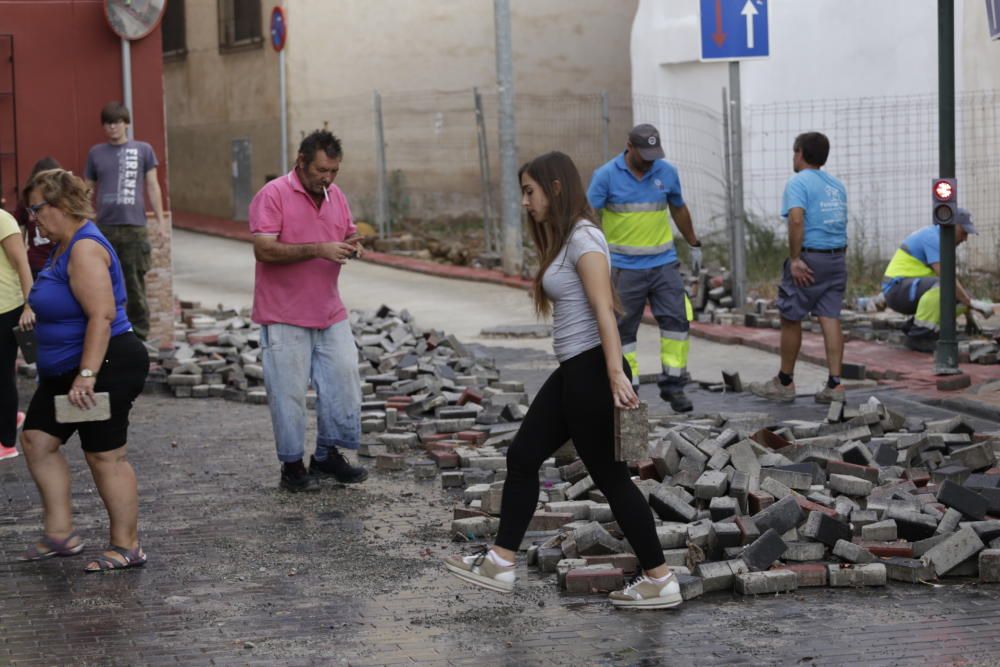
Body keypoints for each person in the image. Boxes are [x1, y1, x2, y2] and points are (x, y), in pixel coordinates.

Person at [445, 151, 683, 610]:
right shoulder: (566, 239)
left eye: (530, 191)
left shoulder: (585, 238)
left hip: (594, 371)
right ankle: (501, 560)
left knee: (613, 481)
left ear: (555, 188)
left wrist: (615, 374)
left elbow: (605, 311)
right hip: (575, 371)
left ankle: (659, 577)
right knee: (524, 455)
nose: (525, 202)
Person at [17, 168, 149, 571]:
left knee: (104, 455)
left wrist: (87, 375)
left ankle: (127, 546)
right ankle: (60, 534)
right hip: (68, 369)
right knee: (38, 440)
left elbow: (102, 316)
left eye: (36, 209)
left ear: (60, 205)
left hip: (105, 364)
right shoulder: (63, 246)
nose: (33, 218)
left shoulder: (84, 249)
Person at [249, 130, 368, 492]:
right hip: (283, 313)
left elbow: (347, 234)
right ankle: (292, 466)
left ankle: (326, 456)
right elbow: (264, 250)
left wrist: (353, 247)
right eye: (321, 170)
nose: (328, 178)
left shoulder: (337, 196)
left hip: (329, 310)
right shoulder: (272, 196)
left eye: (334, 171)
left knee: (344, 383)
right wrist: (318, 249)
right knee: (288, 395)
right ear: (301, 162)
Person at [587, 124, 702, 413]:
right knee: (623, 330)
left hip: (664, 263)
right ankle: (629, 388)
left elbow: (678, 208)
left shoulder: (666, 172)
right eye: (645, 153)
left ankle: (674, 386)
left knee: (677, 321)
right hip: (624, 269)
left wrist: (693, 243)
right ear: (629, 146)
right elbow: (589, 215)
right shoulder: (605, 176)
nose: (650, 160)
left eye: (655, 153)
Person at [748, 132, 848, 404]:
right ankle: (835, 385)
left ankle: (785, 381)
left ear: (801, 153)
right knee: (830, 317)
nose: (793, 157)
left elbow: (795, 221)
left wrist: (795, 259)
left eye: (794, 152)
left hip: (810, 260)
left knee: (791, 317)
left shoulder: (798, 183)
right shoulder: (836, 186)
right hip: (837, 259)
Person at [85, 101, 166, 341]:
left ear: (127, 124)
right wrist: (85, 221)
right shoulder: (95, 153)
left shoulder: (143, 150)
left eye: (117, 122)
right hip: (105, 228)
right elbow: (87, 189)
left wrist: (160, 222)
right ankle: (110, 335)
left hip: (135, 228)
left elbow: (153, 186)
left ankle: (139, 336)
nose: (112, 127)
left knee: (134, 284)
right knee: (104, 284)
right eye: (108, 123)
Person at [881, 211, 994, 352]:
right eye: (963, 232)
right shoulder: (933, 238)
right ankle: (918, 337)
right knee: (946, 287)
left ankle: (914, 326)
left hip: (910, 289)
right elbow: (946, 277)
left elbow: (958, 290)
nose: (965, 239)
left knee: (962, 294)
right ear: (952, 225)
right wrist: (971, 303)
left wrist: (969, 316)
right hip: (896, 290)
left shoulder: (941, 239)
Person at [0, 199, 35, 462]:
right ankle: (11, 418)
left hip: (6, 308)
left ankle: (6, 443)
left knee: (2, 375)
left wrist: (28, 305)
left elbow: (22, 264)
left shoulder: (3, 220)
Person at [15, 157, 60, 278]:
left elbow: (19, 233)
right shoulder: (26, 201)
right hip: (45, 261)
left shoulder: (27, 200)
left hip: (41, 261)